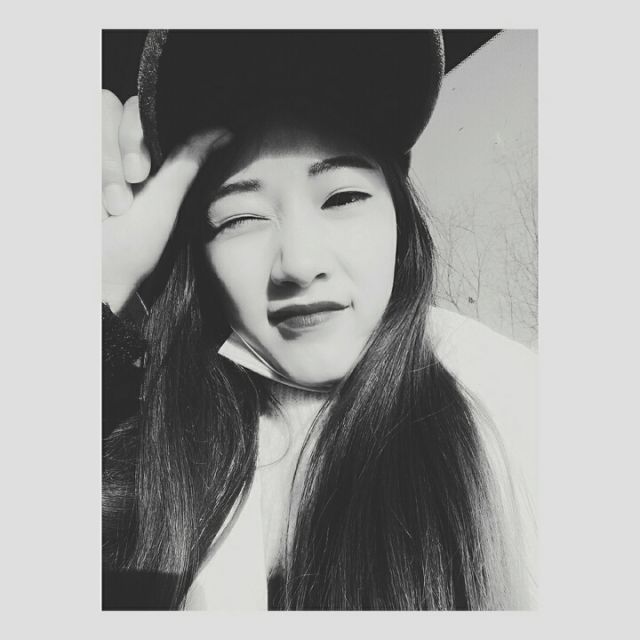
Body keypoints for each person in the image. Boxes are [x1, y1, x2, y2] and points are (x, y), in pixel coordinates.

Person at [102, 30, 536, 610]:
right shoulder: (143, 449)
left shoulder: (525, 420)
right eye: (239, 218)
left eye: (342, 198)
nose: (300, 264)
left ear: (399, 215)